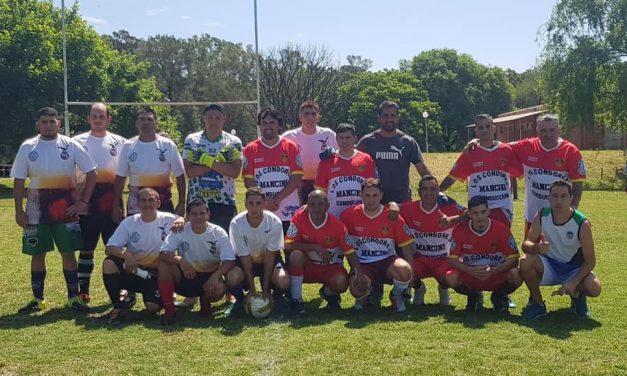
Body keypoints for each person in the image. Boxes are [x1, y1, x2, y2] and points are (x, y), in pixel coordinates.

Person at [11, 107, 97, 313]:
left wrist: (82, 202)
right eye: (44, 122)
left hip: (65, 211)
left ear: (59, 123)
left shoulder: (71, 145)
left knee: (68, 253)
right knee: (37, 254)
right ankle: (37, 299)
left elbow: (92, 173)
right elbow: (19, 181)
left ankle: (73, 298)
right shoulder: (27, 147)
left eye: (52, 121)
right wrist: (18, 211)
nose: (48, 125)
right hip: (35, 212)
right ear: (37, 124)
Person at [464, 114, 587, 234]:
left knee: (561, 251)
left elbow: (578, 183)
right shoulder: (527, 146)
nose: (548, 134)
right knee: (530, 250)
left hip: (561, 215)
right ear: (537, 130)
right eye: (543, 130)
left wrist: (573, 207)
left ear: (559, 129)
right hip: (533, 216)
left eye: (552, 130)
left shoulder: (571, 151)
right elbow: (498, 147)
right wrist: (478, 141)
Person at [520, 180, 601, 320]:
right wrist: (537, 247)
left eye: (563, 196)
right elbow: (526, 244)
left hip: (573, 268)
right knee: (525, 261)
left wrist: (574, 281)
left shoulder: (582, 222)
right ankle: (537, 304)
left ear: (571, 198)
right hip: (549, 266)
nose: (559, 201)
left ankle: (578, 297)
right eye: (555, 196)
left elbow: (590, 261)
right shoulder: (542, 214)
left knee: (594, 288)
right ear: (549, 198)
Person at [72, 102, 127, 303]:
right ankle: (83, 290)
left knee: (115, 247)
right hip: (86, 204)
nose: (97, 119)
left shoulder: (120, 142)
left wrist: (119, 205)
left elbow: (124, 173)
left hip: (112, 203)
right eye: (94, 116)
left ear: (108, 119)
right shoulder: (76, 142)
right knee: (86, 248)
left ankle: (121, 288)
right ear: (88, 119)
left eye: (101, 116)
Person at [102, 188, 180, 324]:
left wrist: (182, 219)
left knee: (153, 307)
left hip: (157, 275)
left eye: (151, 200)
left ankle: (160, 297)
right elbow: (110, 248)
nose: (147, 204)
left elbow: (185, 221)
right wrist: (126, 254)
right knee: (109, 263)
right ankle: (117, 306)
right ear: (137, 204)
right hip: (134, 271)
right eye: (143, 200)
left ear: (158, 203)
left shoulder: (169, 220)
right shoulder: (129, 222)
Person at [158, 199, 241, 324]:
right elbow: (163, 253)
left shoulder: (218, 233)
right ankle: (170, 311)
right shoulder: (180, 229)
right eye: (194, 214)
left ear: (208, 214)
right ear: (188, 215)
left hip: (208, 279)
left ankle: (205, 302)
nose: (198, 217)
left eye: (202, 213)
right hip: (185, 276)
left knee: (219, 288)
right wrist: (180, 260)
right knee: (164, 265)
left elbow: (229, 260)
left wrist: (215, 276)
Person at [340, 178, 414, 313]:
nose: (371, 200)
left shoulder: (392, 215)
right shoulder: (348, 215)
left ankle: (396, 296)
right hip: (363, 263)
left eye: (375, 195)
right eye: (367, 195)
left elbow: (406, 245)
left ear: (381, 195)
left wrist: (411, 270)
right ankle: (364, 297)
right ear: (361, 195)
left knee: (404, 270)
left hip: (387, 261)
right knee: (357, 289)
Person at [285, 190, 360, 314]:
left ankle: (327, 293)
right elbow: (287, 245)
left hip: (329, 267)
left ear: (328, 206)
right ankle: (296, 301)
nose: (316, 208)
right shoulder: (299, 217)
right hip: (307, 267)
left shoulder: (338, 226)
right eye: (312, 204)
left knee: (341, 282)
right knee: (295, 255)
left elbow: (350, 252)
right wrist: (315, 247)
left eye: (320, 204)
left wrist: (358, 273)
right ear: (307, 205)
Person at [440, 114, 522, 227]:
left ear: (494, 128)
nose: (485, 130)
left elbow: (519, 173)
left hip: (502, 209)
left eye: (488, 126)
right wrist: (436, 193)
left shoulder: (507, 150)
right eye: (481, 127)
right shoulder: (470, 152)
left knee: (500, 242)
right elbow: (452, 177)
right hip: (478, 211)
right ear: (476, 130)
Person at [446, 196, 522, 312]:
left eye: (483, 212)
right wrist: (469, 270)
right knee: (451, 277)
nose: (480, 216)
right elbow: (452, 260)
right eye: (475, 213)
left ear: (489, 212)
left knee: (516, 275)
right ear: (469, 214)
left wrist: (494, 270)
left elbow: (514, 259)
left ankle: (498, 296)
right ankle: (473, 295)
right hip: (471, 274)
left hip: (496, 274)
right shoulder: (459, 230)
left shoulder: (501, 229)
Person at [399, 175, 465, 306]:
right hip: (420, 259)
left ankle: (443, 288)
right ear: (418, 192)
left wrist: (453, 220)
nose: (428, 193)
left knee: (452, 278)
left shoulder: (448, 206)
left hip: (443, 260)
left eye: (432, 189)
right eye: (424, 189)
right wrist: (393, 206)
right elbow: (389, 208)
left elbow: (471, 213)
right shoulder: (409, 208)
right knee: (403, 272)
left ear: (438, 191)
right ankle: (419, 289)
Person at [112, 108, 186, 223]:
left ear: (156, 123)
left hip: (163, 201)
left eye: (150, 119)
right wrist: (116, 204)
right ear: (137, 124)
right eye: (142, 119)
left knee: (164, 238)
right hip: (136, 204)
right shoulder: (128, 146)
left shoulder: (168, 145)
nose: (146, 122)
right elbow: (120, 178)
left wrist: (181, 203)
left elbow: (180, 176)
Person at [227, 187, 290, 316]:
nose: (254, 208)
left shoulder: (274, 222)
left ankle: (276, 298)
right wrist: (252, 290)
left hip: (268, 260)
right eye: (250, 203)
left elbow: (270, 257)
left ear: (265, 204)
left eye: (258, 203)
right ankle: (241, 301)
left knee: (283, 280)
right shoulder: (236, 224)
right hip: (247, 261)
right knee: (231, 278)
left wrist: (265, 290)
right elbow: (243, 257)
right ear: (245, 204)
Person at [356, 100, 432, 204]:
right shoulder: (367, 142)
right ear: (378, 118)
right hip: (374, 203)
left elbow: (422, 170)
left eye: (393, 115)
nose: (389, 119)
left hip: (402, 201)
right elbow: (351, 162)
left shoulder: (408, 142)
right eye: (385, 116)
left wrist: (436, 191)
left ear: (397, 118)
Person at [242, 108, 303, 234]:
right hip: (262, 209)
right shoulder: (250, 149)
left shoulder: (291, 146)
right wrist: (266, 200)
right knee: (267, 251)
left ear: (279, 125)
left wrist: (277, 199)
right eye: (264, 123)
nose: (267, 126)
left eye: (272, 123)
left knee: (291, 250)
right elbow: (248, 180)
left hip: (287, 209)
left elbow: (296, 178)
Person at [183, 103, 242, 231]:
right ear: (204, 118)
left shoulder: (233, 141)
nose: (213, 121)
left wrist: (204, 159)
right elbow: (190, 172)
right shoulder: (192, 140)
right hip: (197, 202)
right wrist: (220, 161)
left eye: (217, 118)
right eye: (210, 117)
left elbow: (234, 172)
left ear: (224, 119)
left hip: (224, 202)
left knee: (224, 241)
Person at [314, 123, 377, 217]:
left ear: (355, 138)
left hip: (361, 216)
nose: (344, 141)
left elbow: (373, 189)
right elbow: (320, 191)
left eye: (348, 137)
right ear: (336, 139)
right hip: (335, 216)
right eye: (341, 138)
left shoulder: (366, 159)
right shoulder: (326, 161)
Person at [283, 100, 338, 203]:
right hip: (297, 183)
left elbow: (341, 153)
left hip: (323, 183)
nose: (310, 117)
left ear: (318, 117)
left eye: (313, 114)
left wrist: (333, 152)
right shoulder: (289, 137)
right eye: (306, 114)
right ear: (300, 117)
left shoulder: (328, 134)